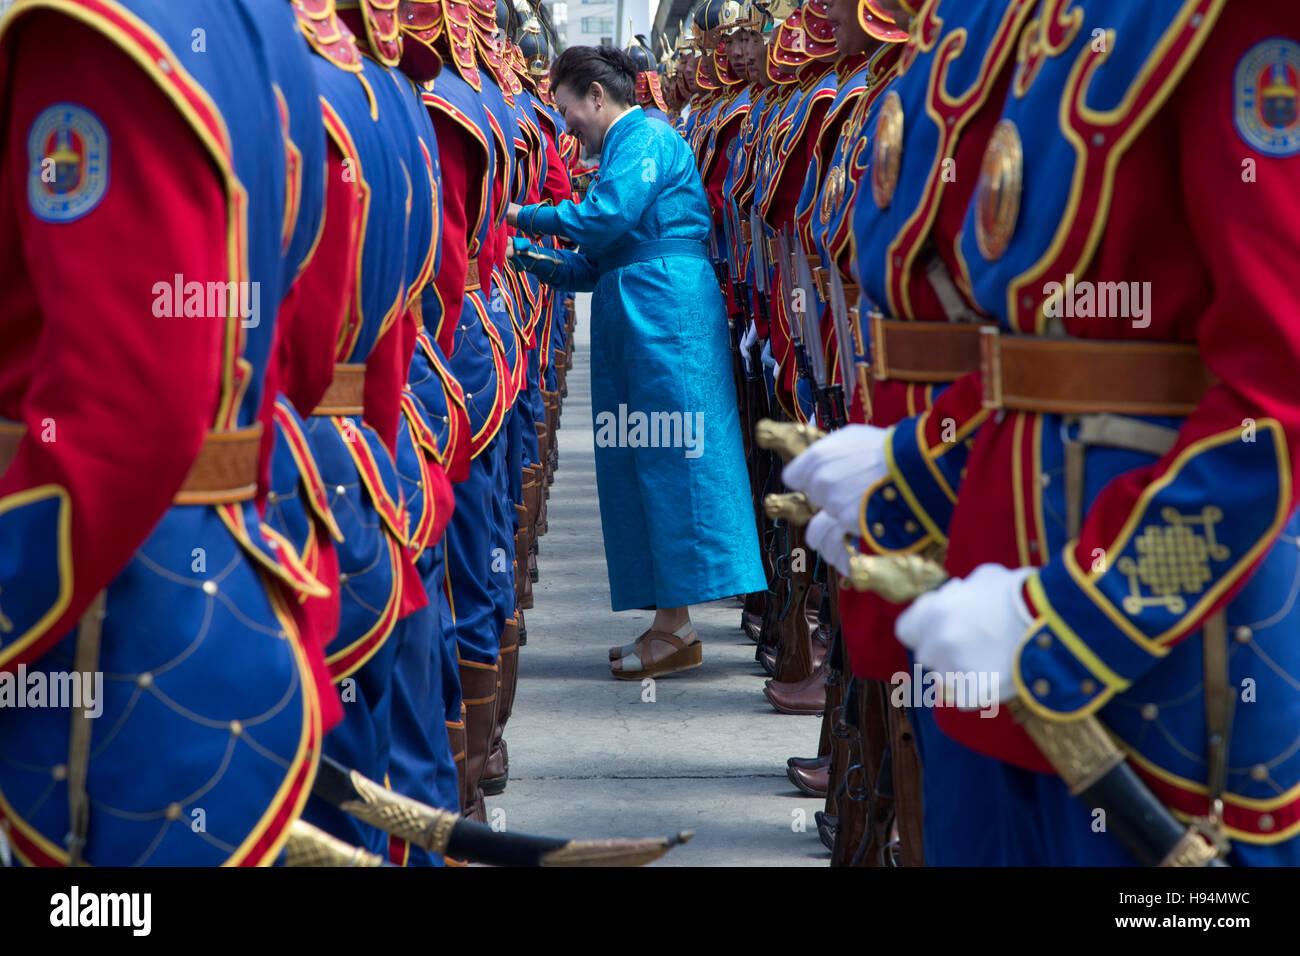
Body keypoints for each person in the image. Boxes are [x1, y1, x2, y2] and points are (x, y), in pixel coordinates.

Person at [508, 45, 766, 680]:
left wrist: (521, 215)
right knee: (639, 463)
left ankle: (676, 626)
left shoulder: (644, 135)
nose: (568, 127)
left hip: (665, 311)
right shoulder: (628, 145)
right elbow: (591, 264)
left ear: (598, 96)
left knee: (672, 460)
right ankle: (668, 624)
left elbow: (605, 220)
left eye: (570, 113)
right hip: (640, 304)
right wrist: (516, 253)